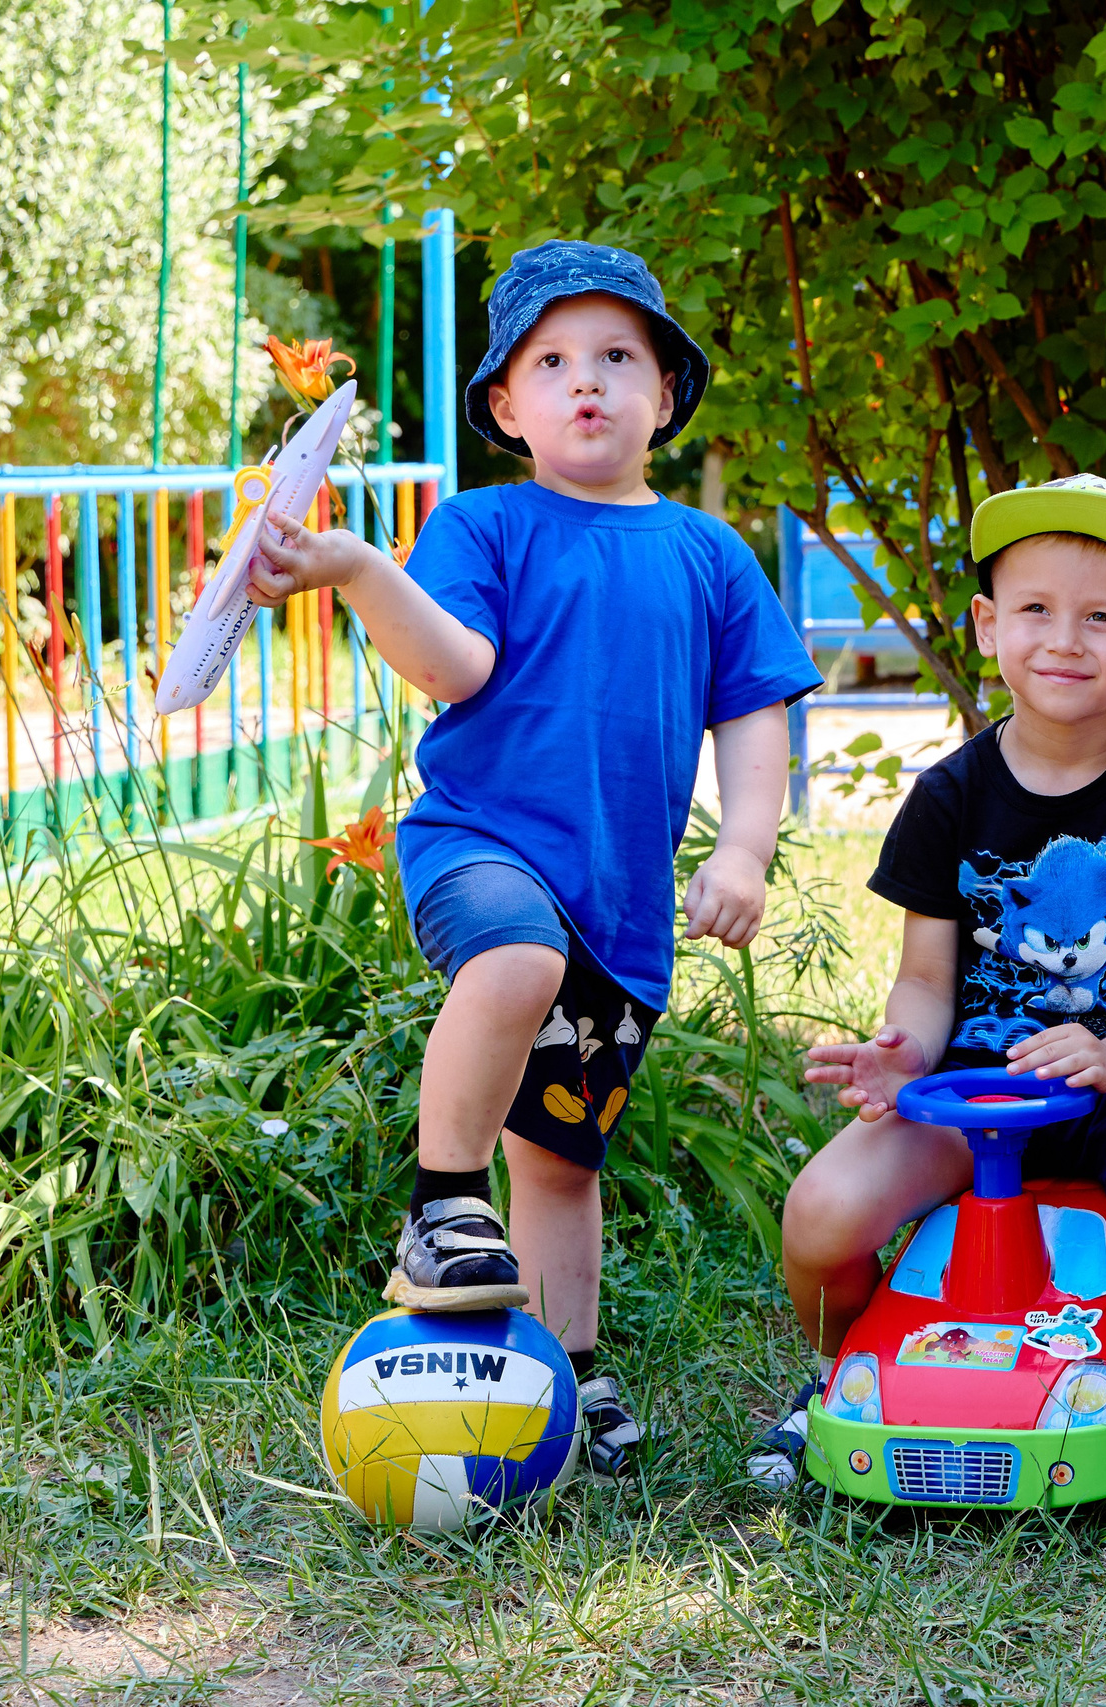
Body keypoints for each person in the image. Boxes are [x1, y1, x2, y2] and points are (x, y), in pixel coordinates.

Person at [245, 240, 822, 1478]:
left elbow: (755, 714)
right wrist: (357, 570)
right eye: (552, 362)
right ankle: (441, 1206)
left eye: (619, 357)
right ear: (507, 406)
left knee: (562, 1163)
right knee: (512, 959)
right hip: (486, 846)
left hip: (621, 908)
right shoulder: (486, 524)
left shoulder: (709, 555)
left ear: (667, 391)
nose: (588, 383)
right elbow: (455, 666)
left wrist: (748, 850)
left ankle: (571, 1363)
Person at [753, 475, 1106, 1526]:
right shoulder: (949, 795)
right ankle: (840, 1378)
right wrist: (901, 1057)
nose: (1066, 639)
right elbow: (925, 981)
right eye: (1037, 610)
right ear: (987, 626)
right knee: (820, 1211)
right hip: (976, 1094)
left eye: (1101, 617)